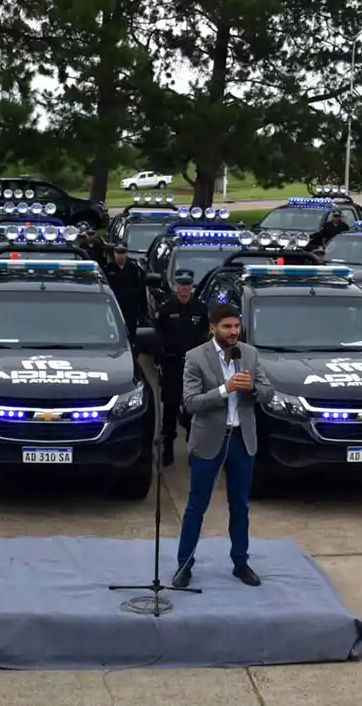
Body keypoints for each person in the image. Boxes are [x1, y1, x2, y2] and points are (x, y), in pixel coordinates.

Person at [172, 304, 270, 589]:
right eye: (227, 327)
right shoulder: (195, 358)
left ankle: (241, 563)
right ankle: (184, 566)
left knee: (239, 506)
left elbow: (268, 393)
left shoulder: (249, 354)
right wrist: (225, 389)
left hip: (242, 440)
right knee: (196, 507)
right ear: (212, 328)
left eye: (236, 326)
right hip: (209, 441)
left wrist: (251, 388)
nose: (233, 332)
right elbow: (190, 403)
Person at [153, 269, 209, 466]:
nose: (184, 288)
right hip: (172, 365)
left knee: (193, 408)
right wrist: (161, 354)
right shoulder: (166, 309)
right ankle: (168, 447)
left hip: (194, 367)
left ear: (191, 286)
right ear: (176, 286)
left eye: (188, 284)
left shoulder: (200, 309)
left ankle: (193, 447)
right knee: (170, 406)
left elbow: (206, 335)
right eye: (181, 284)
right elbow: (157, 335)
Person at [104, 244, 146, 327]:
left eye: (122, 253)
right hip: (115, 304)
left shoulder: (134, 268)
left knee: (130, 328)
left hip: (130, 305)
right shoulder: (108, 269)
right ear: (114, 254)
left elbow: (141, 288)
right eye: (118, 253)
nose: (120, 255)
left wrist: (141, 310)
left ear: (126, 254)